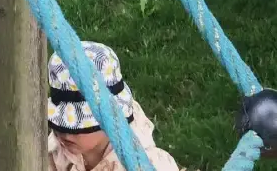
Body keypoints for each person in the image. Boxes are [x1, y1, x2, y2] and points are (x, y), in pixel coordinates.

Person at [48, 41, 183, 171]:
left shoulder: (147, 164)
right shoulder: (56, 150)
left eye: (76, 125)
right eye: (60, 123)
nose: (65, 133)